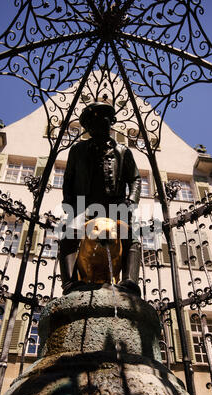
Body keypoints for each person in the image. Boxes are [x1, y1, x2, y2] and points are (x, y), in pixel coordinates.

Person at [60, 102, 141, 295]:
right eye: (92, 121)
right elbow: (68, 179)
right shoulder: (77, 150)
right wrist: (69, 201)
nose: (97, 124)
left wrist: (131, 200)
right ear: (87, 127)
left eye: (102, 119)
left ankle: (129, 280)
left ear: (110, 122)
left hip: (116, 204)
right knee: (69, 235)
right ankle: (70, 283)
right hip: (84, 203)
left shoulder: (122, 151)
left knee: (132, 237)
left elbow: (135, 178)